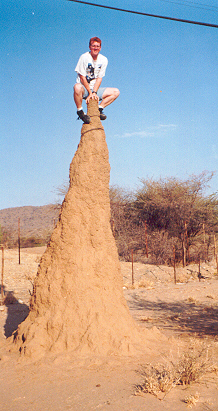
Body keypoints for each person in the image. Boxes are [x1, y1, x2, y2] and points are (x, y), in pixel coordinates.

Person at [74, 37, 120, 124]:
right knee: (77, 87)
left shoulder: (104, 60)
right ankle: (80, 111)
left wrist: (94, 92)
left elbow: (99, 78)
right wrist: (90, 93)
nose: (95, 48)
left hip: (95, 90)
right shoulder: (84, 57)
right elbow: (82, 77)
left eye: (97, 46)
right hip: (83, 89)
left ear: (100, 48)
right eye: (93, 46)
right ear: (89, 47)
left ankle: (99, 109)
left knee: (116, 92)